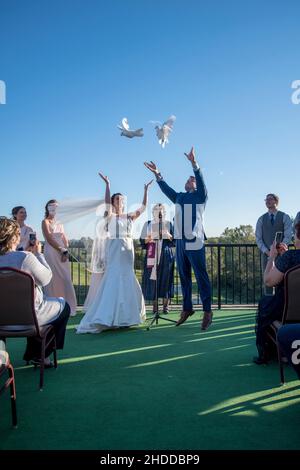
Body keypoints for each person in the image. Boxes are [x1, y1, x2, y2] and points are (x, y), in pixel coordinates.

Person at [144, 146, 213, 330]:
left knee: (201, 276)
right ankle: (187, 308)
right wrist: (158, 174)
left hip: (195, 240)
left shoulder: (201, 196)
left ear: (197, 185)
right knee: (183, 277)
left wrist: (194, 164)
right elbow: (166, 189)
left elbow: (199, 178)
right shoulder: (179, 197)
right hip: (180, 241)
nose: (190, 180)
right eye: (188, 179)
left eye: (192, 179)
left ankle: (207, 311)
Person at [77, 172, 152, 333]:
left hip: (128, 248)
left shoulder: (130, 216)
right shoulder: (109, 215)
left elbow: (144, 207)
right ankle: (107, 316)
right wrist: (107, 185)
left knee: (127, 276)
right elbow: (106, 203)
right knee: (114, 277)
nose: (120, 201)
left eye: (122, 200)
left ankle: (127, 317)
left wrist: (146, 190)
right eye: (117, 199)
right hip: (115, 247)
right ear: (113, 202)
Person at [0, 217, 70, 366]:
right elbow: (46, 279)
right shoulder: (25, 257)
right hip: (30, 319)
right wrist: (39, 254)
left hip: (1, 321)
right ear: (14, 238)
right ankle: (40, 355)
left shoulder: (24, 256)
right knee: (64, 307)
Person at [254, 222, 300, 364]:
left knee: (265, 305)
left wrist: (272, 257)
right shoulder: (288, 257)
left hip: (288, 312)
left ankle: (278, 349)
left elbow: (268, 281)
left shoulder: (290, 257)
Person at [42, 200, 77, 317]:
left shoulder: (60, 223)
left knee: (66, 278)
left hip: (63, 252)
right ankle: (53, 307)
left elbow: (64, 238)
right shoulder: (45, 222)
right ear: (48, 208)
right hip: (52, 252)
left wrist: (65, 249)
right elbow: (49, 239)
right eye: (52, 207)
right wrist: (61, 249)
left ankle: (68, 306)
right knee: (54, 278)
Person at [140, 203, 175, 314]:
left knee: (166, 279)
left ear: (164, 213)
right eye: (156, 210)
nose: (159, 212)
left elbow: (174, 241)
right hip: (151, 254)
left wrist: (167, 234)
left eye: (161, 210)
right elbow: (141, 241)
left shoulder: (168, 224)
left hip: (165, 255)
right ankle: (155, 307)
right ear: (153, 212)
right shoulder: (148, 224)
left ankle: (166, 306)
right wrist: (150, 236)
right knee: (152, 280)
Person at [255, 193, 293, 295]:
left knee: (282, 280)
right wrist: (267, 251)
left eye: (270, 199)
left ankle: (282, 306)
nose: (267, 201)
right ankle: (269, 307)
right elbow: (258, 239)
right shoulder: (261, 219)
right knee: (267, 281)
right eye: (266, 200)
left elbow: (288, 235)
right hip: (266, 255)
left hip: (282, 254)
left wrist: (279, 249)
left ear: (276, 201)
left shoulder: (285, 217)